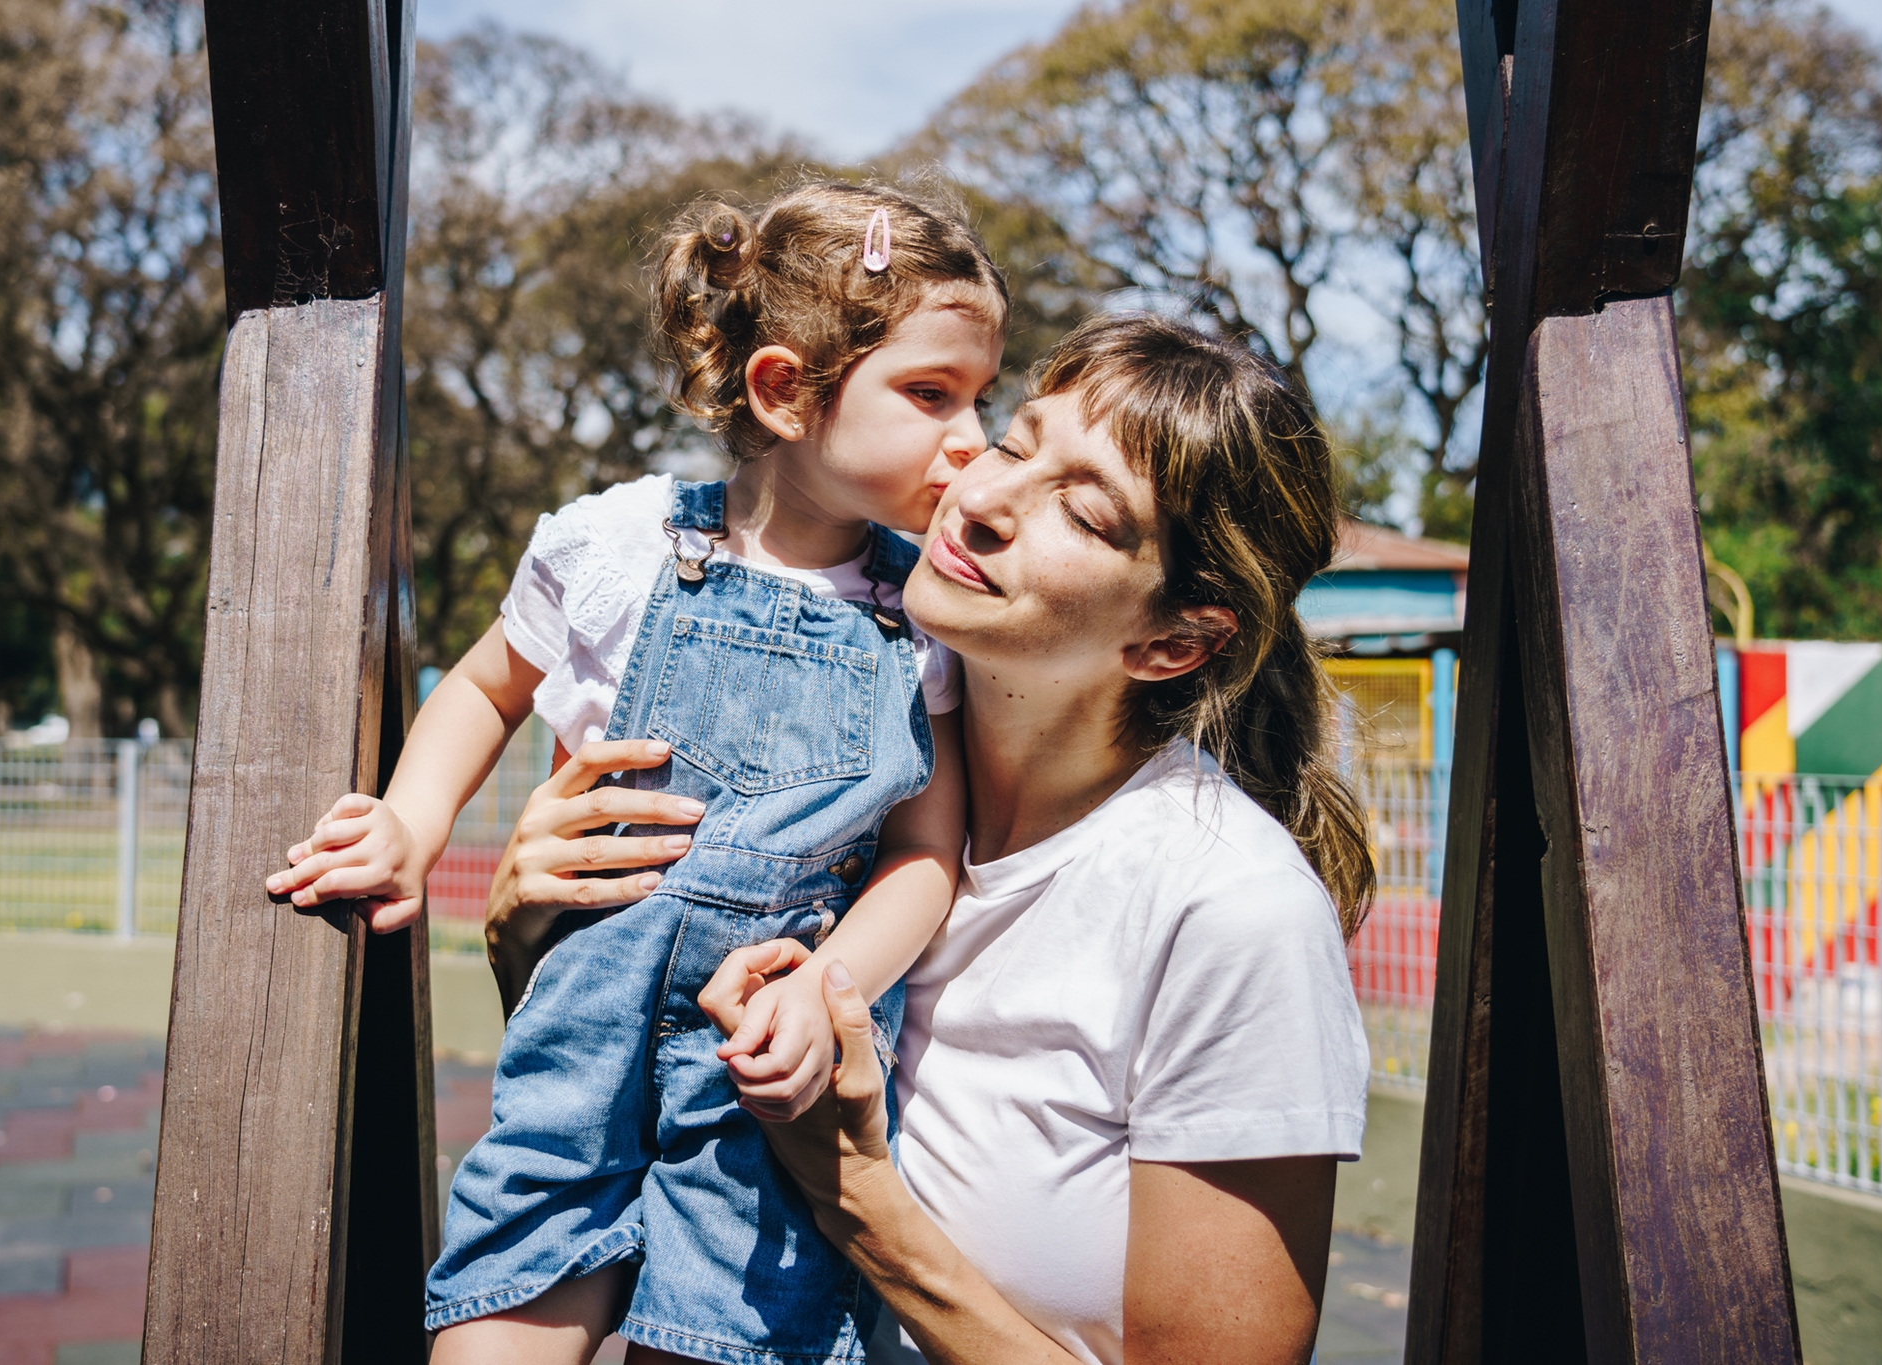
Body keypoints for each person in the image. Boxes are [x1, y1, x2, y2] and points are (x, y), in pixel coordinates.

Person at [486, 312, 1376, 1365]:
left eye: (1083, 514)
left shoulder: (1228, 909)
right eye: (1013, 440)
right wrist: (534, 940)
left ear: (1172, 640)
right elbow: (626, 1153)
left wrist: (858, 1192)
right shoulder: (822, 805)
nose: (986, 498)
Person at [267, 180, 1008, 1365]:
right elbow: (483, 686)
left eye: (978, 395)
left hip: (764, 1071)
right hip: (581, 1035)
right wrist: (411, 822)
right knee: (497, 1325)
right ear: (782, 388)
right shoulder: (616, 543)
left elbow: (925, 854)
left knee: (719, 1337)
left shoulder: (918, 610)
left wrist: (826, 993)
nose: (973, 437)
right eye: (931, 394)